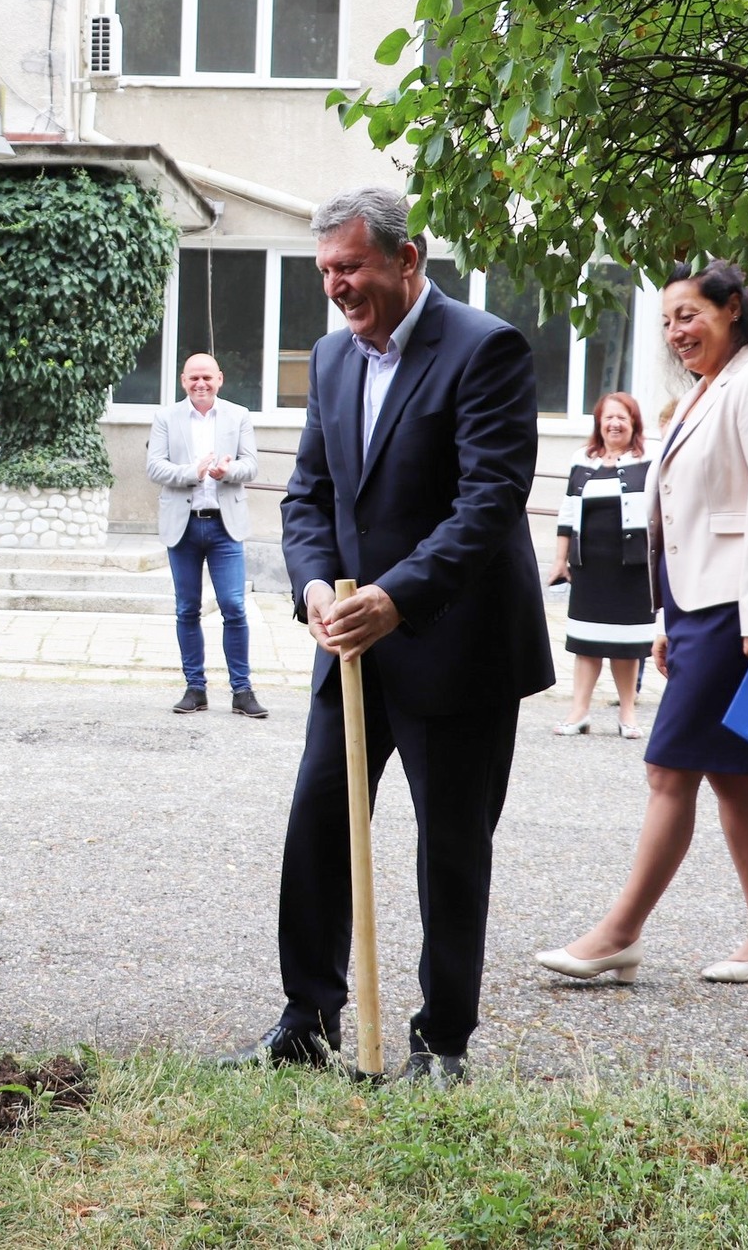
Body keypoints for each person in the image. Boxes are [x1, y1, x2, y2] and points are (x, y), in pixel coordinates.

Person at [226, 187, 552, 1086]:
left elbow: (488, 503)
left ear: (408, 261)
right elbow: (307, 497)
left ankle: (442, 1041)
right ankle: (307, 1019)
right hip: (354, 651)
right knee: (317, 828)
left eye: (354, 267)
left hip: (459, 646)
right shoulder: (331, 359)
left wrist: (397, 597)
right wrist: (316, 592)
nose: (338, 286)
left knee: (450, 849)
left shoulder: (486, 349)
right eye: (327, 270)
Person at [536, 260, 748, 989]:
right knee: (732, 779)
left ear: (732, 309)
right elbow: (681, 518)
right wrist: (668, 614)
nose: (675, 332)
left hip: (743, 609)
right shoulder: (703, 393)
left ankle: (618, 935)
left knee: (669, 769)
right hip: (703, 606)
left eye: (688, 315)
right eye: (667, 322)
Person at [147, 351, 266, 718]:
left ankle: (242, 691)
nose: (201, 384)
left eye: (207, 378)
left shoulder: (238, 415)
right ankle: (195, 688)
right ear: (183, 381)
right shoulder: (166, 417)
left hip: (223, 526)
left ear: (220, 379)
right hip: (182, 526)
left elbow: (252, 464)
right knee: (187, 608)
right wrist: (191, 472)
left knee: (233, 607)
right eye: (193, 378)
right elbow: (154, 466)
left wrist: (226, 472)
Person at [549, 392, 653, 739]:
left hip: (633, 567)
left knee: (626, 645)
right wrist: (559, 560)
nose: (614, 423)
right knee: (586, 642)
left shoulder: (648, 459)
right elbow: (567, 513)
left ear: (634, 423)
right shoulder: (583, 459)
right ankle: (579, 713)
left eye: (622, 417)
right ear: (599, 423)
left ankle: (628, 715)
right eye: (608, 417)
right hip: (589, 566)